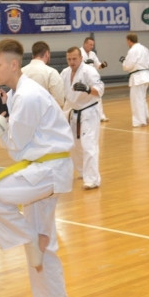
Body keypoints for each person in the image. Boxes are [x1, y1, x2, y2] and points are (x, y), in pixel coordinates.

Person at [0, 38, 74, 297]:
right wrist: (3, 113)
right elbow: (18, 139)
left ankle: (30, 238)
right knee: (44, 242)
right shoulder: (19, 94)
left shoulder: (28, 95)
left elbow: (16, 144)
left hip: (46, 169)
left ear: (13, 64)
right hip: (46, 168)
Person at [61, 46, 104, 190]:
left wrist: (87, 89)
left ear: (81, 58)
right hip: (73, 111)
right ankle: (81, 171)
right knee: (74, 145)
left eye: (74, 59)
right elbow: (61, 92)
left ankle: (92, 179)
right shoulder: (65, 73)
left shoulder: (89, 71)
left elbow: (100, 90)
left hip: (89, 111)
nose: (71, 62)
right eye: (69, 59)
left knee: (89, 145)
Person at [121, 32, 149, 127]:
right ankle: (146, 117)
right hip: (145, 75)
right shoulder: (145, 49)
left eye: (127, 41)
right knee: (142, 98)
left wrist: (124, 62)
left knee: (136, 100)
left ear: (129, 40)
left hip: (138, 78)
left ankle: (140, 121)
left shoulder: (133, 50)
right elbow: (147, 62)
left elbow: (128, 65)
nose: (127, 43)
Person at [21, 40, 65, 106]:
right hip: (45, 110)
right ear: (47, 54)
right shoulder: (51, 72)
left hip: (25, 110)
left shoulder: (21, 72)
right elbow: (59, 100)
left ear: (33, 55)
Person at [82, 37, 109, 121]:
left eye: (92, 45)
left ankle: (101, 116)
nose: (91, 46)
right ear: (85, 44)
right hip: (83, 78)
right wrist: (84, 63)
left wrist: (103, 65)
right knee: (83, 97)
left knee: (97, 95)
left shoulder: (92, 54)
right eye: (90, 44)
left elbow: (98, 66)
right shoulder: (79, 52)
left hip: (92, 78)